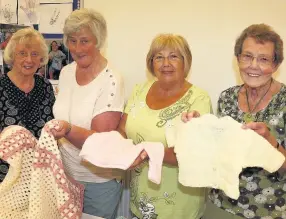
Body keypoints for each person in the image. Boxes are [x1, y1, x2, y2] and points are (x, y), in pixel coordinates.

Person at [52, 33, 212, 218]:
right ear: (151, 62)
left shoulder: (198, 99)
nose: (166, 63)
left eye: (173, 56)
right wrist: (98, 145)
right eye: (159, 57)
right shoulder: (140, 90)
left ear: (186, 62)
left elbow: (191, 153)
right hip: (141, 199)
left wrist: (144, 154)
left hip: (179, 204)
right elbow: (122, 131)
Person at [186, 24, 286, 219]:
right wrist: (198, 127)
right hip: (220, 206)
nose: (253, 65)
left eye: (263, 59)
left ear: (275, 65)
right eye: (247, 56)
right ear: (238, 59)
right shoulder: (227, 98)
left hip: (269, 211)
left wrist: (271, 143)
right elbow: (217, 153)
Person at [52, 8, 125, 219]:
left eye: (85, 41)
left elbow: (99, 141)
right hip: (65, 175)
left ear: (99, 41)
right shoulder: (66, 72)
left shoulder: (111, 80)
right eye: (72, 40)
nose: (77, 48)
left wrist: (66, 129)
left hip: (97, 181)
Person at [0, 27, 55, 181]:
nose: (29, 60)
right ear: (12, 56)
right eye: (22, 53)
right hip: (6, 176)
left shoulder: (45, 86)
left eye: (35, 54)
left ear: (41, 58)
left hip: (40, 175)